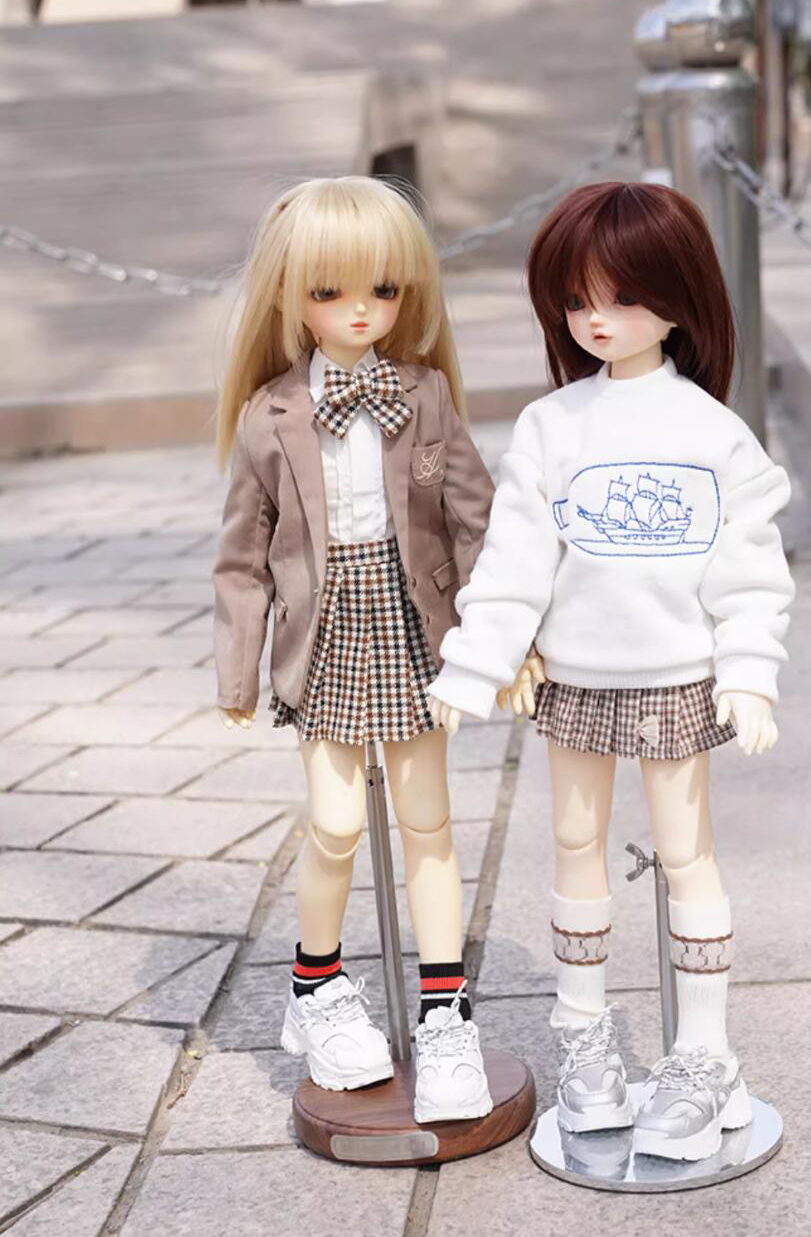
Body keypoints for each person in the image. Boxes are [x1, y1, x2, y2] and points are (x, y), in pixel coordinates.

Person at [427, 181, 796, 1161]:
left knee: (684, 851)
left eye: (623, 297)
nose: (596, 319)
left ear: (678, 301)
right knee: (574, 839)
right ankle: (583, 1035)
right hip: (577, 680)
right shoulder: (553, 425)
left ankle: (705, 1052)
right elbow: (515, 559)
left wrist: (749, 668)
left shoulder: (710, 430)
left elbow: (749, 567)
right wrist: (476, 661)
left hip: (679, 676)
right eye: (576, 299)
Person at [212, 176, 496, 1124]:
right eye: (330, 292)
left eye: (383, 288)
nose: (361, 310)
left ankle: (445, 1009)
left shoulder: (426, 394)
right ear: (290, 297)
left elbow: (475, 521)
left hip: (414, 626)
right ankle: (316, 986)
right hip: (326, 632)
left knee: (429, 822)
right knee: (333, 824)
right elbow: (242, 557)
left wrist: (503, 637)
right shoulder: (269, 416)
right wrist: (238, 669)